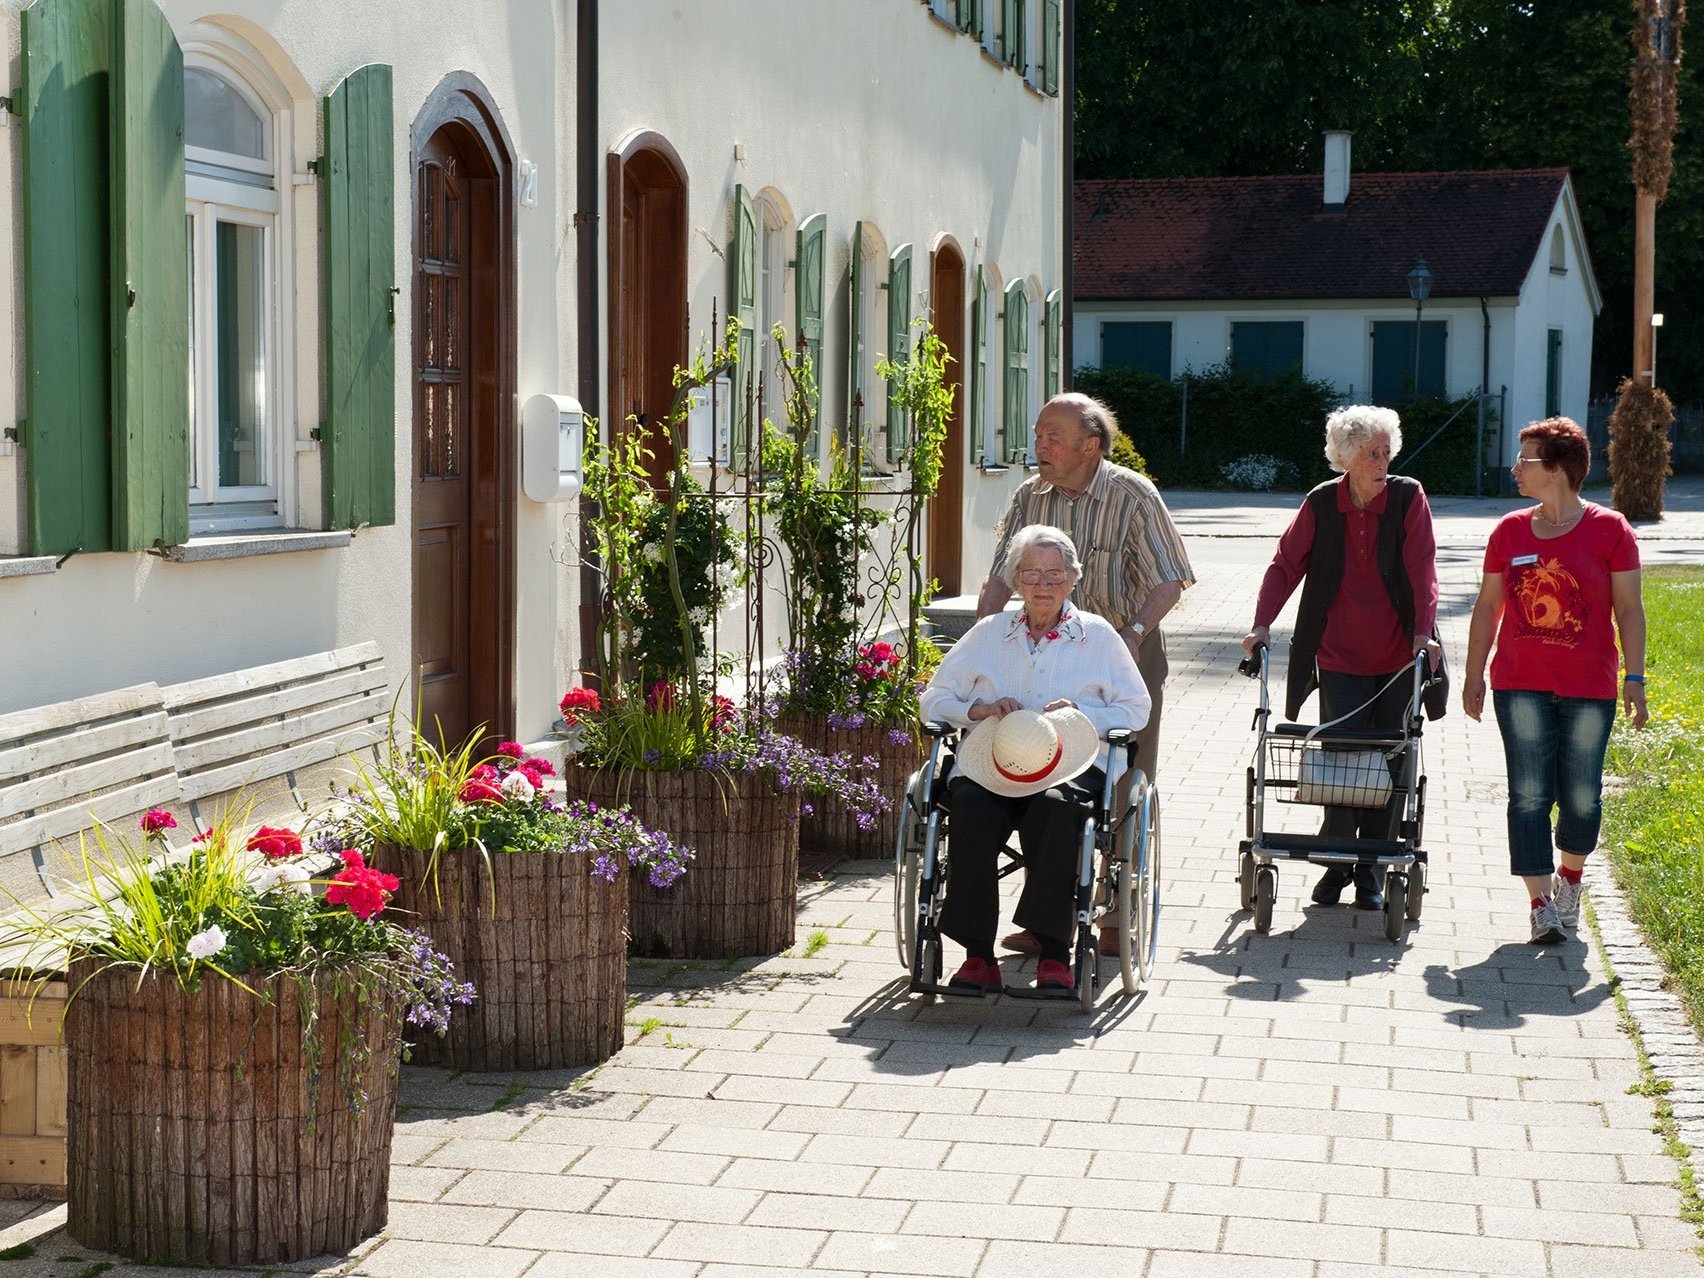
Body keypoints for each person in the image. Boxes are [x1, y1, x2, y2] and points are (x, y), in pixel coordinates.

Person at [980, 392, 1192, 954]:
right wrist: (983, 640)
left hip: (1124, 655)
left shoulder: (1132, 494)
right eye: (1038, 432)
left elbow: (1170, 578)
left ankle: (1115, 919)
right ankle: (1045, 916)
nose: (1039, 445)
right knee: (1037, 773)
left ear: (1090, 445)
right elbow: (1001, 577)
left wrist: (1130, 636)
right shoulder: (1031, 497)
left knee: (1121, 782)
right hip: (1043, 657)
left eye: (1053, 436)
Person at [920, 525, 1151, 992]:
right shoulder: (989, 634)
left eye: (1054, 575)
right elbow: (933, 700)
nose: (1043, 585)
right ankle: (978, 956)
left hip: (1073, 764)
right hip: (994, 760)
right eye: (1031, 574)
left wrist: (1081, 713)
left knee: (1058, 808)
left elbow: (1136, 709)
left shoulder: (1098, 637)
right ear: (1016, 580)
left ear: (1071, 580)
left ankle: (1052, 951)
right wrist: (977, 710)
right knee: (969, 807)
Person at [1239, 405, 1441, 911]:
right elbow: (1285, 565)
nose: (1382, 461)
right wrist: (1261, 624)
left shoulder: (1408, 497)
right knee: (1344, 762)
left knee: (1391, 760)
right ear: (1346, 457)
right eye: (1372, 453)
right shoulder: (1322, 503)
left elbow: (1423, 568)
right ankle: (1335, 864)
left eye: (1386, 452)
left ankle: (1371, 872)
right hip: (1339, 655)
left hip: (1398, 653)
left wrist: (1423, 632)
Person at [1462, 417, 1647, 945]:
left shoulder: (1611, 530)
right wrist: (1475, 674)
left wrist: (1635, 676)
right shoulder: (1509, 530)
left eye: (1526, 461)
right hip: (1518, 683)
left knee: (1583, 797)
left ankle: (1570, 879)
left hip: (1590, 686)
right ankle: (1540, 903)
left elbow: (1630, 610)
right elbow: (1489, 605)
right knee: (1528, 795)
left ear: (1559, 469)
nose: (1515, 469)